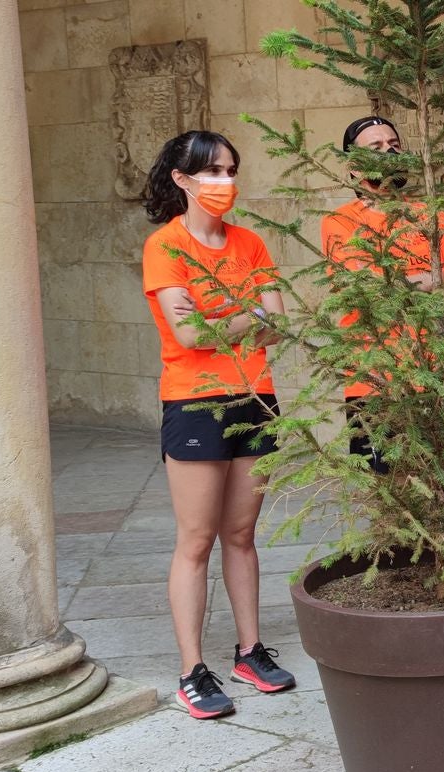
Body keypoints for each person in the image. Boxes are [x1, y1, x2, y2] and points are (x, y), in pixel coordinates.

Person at [142, 130, 295, 720]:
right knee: (197, 539)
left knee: (241, 534)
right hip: (194, 402)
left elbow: (277, 324)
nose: (223, 183)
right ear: (182, 180)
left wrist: (222, 317)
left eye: (230, 171)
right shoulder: (165, 247)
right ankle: (191, 671)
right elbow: (188, 336)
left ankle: (249, 651)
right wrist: (246, 313)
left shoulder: (251, 243)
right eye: (211, 172)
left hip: (255, 396)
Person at [321, 115, 444, 472]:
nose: (390, 152)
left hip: (441, 376)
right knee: (388, 498)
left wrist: (402, 281)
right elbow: (364, 288)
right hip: (375, 382)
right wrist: (431, 278)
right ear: (354, 168)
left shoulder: (433, 218)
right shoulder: (339, 222)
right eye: (377, 147)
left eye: (394, 145)